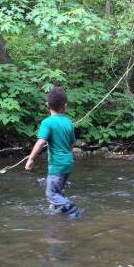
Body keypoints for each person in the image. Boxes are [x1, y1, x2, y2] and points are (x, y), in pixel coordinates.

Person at [26, 86, 82, 219]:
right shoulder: (69, 122)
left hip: (56, 165)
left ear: (47, 105)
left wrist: (31, 159)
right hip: (68, 163)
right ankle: (61, 218)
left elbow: (40, 142)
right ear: (65, 106)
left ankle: (71, 208)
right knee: (58, 192)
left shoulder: (47, 122)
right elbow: (71, 144)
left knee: (51, 194)